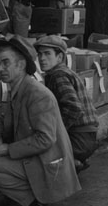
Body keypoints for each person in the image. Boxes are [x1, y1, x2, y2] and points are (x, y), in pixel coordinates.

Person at [0, 35, 80, 206]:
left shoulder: (37, 94)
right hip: (30, 157)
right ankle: (31, 191)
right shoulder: (15, 87)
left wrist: (8, 149)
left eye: (5, 63)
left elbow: (45, 139)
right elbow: (2, 117)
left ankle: (32, 199)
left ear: (21, 65)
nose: (0, 68)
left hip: (45, 163)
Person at [34, 35, 98, 171]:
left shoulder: (59, 76)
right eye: (39, 54)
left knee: (37, 150)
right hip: (87, 136)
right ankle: (74, 160)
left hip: (79, 138)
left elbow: (73, 107)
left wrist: (55, 133)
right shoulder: (63, 72)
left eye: (47, 54)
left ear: (60, 57)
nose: (42, 58)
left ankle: (71, 161)